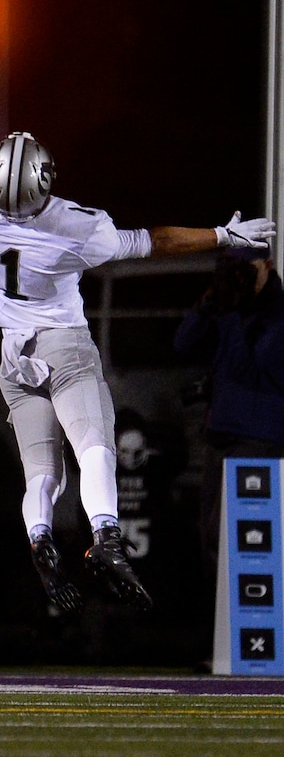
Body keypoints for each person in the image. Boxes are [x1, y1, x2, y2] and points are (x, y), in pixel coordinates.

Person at [0, 25, 275, 616]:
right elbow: (151, 241)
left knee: (41, 475)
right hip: (64, 345)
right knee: (95, 447)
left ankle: (40, 539)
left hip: (12, 354)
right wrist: (221, 235)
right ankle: (106, 537)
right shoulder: (71, 229)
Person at [173, 244, 284, 653]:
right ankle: (221, 641)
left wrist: (234, 315)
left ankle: (249, 644)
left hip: (259, 441)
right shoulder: (225, 306)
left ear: (267, 267)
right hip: (221, 438)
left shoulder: (276, 312)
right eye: (229, 269)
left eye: (244, 269)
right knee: (213, 543)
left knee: (247, 545)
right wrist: (209, 302)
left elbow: (255, 366)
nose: (237, 277)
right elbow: (183, 344)